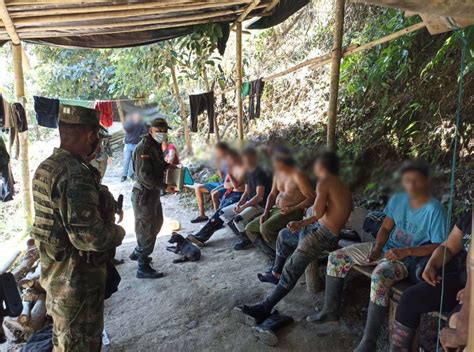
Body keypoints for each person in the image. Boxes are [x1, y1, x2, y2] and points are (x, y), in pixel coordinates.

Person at [307, 160, 448, 352]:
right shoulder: (398, 199)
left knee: (379, 277)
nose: (411, 186)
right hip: (386, 249)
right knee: (336, 257)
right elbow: (386, 227)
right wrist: (377, 247)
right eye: (407, 180)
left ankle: (368, 341)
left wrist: (406, 251)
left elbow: (439, 246)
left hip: (407, 259)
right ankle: (330, 311)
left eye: (417, 181)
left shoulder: (435, 210)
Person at [30, 105, 125, 351]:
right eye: (96, 137)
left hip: (56, 275)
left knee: (64, 339)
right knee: (78, 343)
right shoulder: (74, 174)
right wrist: (118, 232)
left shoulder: (47, 166)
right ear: (89, 135)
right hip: (76, 281)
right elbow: (90, 238)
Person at [233, 150, 351, 325]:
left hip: (324, 235)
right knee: (284, 235)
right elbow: (330, 210)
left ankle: (265, 307)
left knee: (293, 266)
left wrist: (301, 223)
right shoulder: (339, 182)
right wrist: (305, 223)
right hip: (320, 228)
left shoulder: (325, 182)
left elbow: (318, 212)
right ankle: (276, 272)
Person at [391, 208, 471, 351]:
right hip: (458, 282)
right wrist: (432, 265)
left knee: (455, 323)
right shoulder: (469, 217)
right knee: (410, 298)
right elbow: (448, 247)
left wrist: (471, 292)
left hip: (470, 294)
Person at [244, 146, 314, 262]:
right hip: (277, 210)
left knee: (265, 228)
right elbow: (272, 194)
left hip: (294, 211)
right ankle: (273, 256)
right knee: (249, 229)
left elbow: (312, 198)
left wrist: (292, 208)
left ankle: (283, 258)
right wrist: (265, 212)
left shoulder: (298, 175)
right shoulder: (277, 174)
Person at [129, 118, 174, 279]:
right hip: (144, 195)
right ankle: (142, 266)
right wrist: (163, 187)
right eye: (158, 131)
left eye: (164, 131)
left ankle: (139, 252)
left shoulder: (154, 146)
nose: (162, 134)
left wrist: (168, 167)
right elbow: (144, 176)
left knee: (157, 223)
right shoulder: (144, 148)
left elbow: (156, 168)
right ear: (150, 131)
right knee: (146, 229)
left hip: (151, 194)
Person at [187, 149, 246, 246]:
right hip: (231, 193)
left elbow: (235, 185)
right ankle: (200, 236)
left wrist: (232, 181)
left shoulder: (243, 169)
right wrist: (232, 183)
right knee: (219, 211)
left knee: (220, 212)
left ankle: (201, 237)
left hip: (240, 195)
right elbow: (227, 184)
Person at [219, 146, 272, 250]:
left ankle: (249, 241)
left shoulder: (259, 173)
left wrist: (243, 207)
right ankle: (243, 237)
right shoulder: (248, 171)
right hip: (250, 202)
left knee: (238, 219)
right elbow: (246, 191)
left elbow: (259, 196)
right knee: (223, 213)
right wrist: (240, 203)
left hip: (260, 204)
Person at [191, 142, 230, 223]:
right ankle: (202, 215)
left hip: (229, 185)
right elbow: (221, 176)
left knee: (214, 193)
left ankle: (217, 218)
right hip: (221, 183)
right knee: (198, 188)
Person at [121, 112, 147, 182]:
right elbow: (126, 128)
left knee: (133, 160)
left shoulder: (141, 124)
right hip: (128, 144)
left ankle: (131, 174)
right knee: (126, 160)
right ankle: (124, 175)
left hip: (136, 144)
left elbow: (145, 131)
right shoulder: (129, 123)